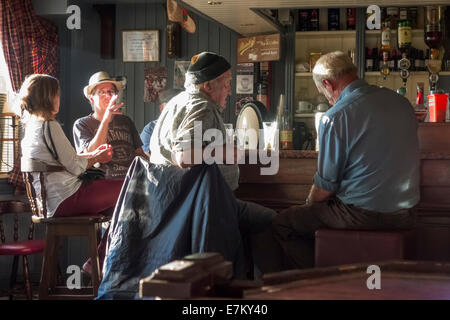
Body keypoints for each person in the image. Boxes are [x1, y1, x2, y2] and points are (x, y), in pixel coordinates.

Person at [269, 51, 420, 269]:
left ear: (328, 84)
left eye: (323, 94)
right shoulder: (402, 103)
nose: (328, 100)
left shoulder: (336, 116)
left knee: (282, 224)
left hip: (362, 216)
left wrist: (309, 206)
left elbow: (326, 186)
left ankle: (319, 282)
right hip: (406, 214)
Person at [18, 74, 124, 272]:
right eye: (57, 94)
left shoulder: (32, 128)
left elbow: (67, 160)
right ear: (48, 97)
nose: (59, 99)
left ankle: (101, 263)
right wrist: (97, 158)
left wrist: (92, 154)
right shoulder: (50, 127)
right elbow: (75, 167)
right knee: (131, 188)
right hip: (67, 198)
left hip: (50, 203)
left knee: (123, 211)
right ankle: (100, 263)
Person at [73, 71, 147, 180]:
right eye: (102, 92)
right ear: (92, 98)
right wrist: (105, 121)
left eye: (111, 92)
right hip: (102, 184)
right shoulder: (82, 124)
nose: (108, 96)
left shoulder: (126, 121)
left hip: (131, 182)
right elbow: (89, 155)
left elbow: (139, 153)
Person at [140, 88, 182, 154]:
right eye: (174, 106)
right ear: (162, 108)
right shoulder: (150, 129)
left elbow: (196, 157)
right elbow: (147, 157)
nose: (178, 110)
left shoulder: (191, 125)